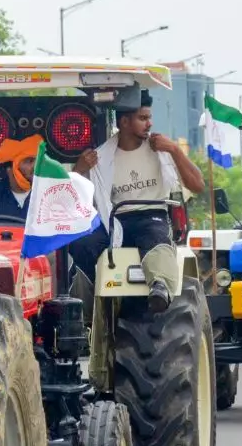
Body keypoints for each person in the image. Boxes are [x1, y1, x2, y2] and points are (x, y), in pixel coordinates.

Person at [72, 90, 206, 312]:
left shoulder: (162, 150)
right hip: (116, 219)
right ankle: (87, 302)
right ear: (124, 122)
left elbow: (198, 185)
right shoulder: (102, 156)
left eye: (149, 118)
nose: (149, 124)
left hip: (152, 215)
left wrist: (174, 149)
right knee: (82, 241)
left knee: (154, 237)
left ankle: (160, 287)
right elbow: (77, 198)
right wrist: (79, 169)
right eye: (143, 118)